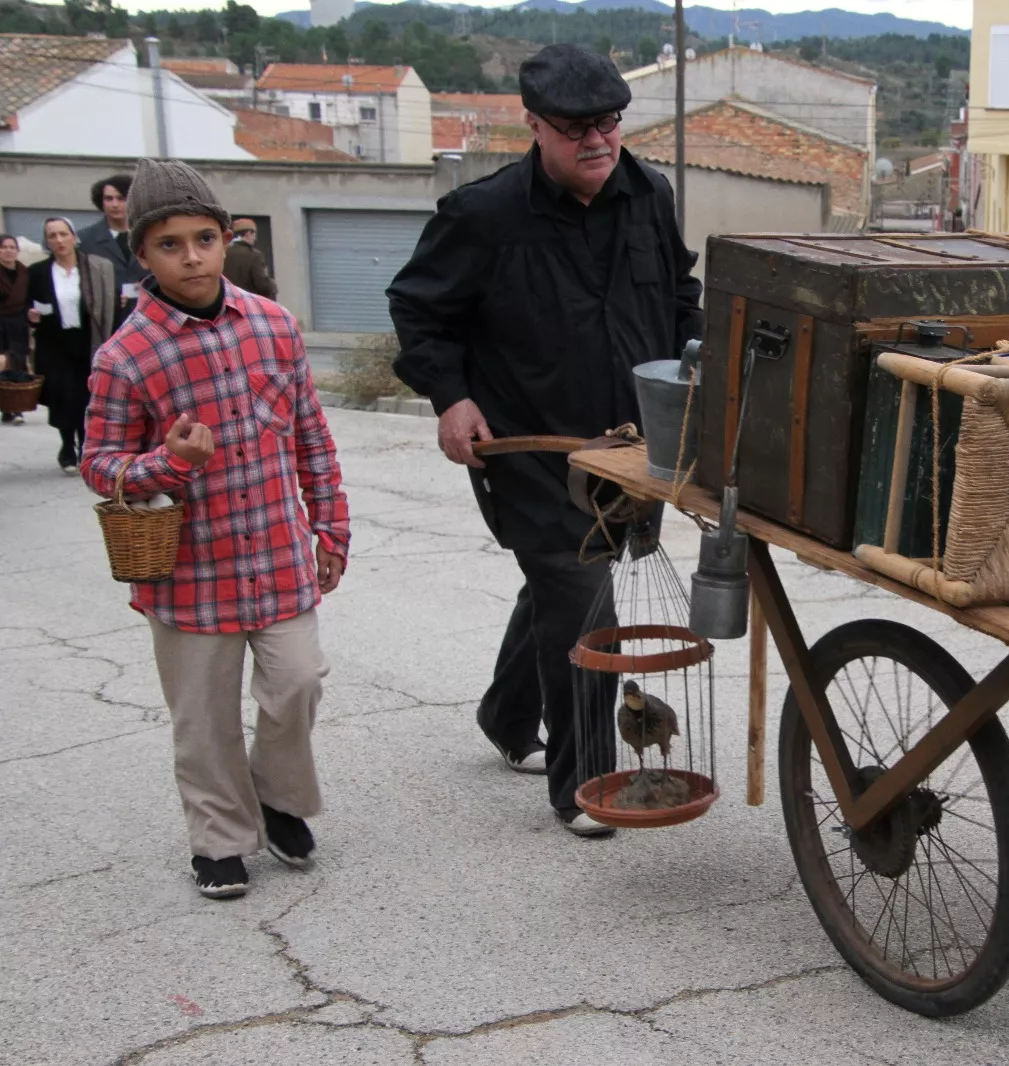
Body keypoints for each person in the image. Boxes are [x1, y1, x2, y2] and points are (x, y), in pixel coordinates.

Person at [387, 44, 703, 839]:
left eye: (608, 124)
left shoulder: (648, 194)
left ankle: (505, 714)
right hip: (533, 447)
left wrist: (695, 382)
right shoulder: (483, 216)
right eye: (574, 129)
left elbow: (678, 296)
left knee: (570, 583)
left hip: (629, 446)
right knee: (582, 596)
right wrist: (452, 398)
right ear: (534, 126)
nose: (597, 142)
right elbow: (420, 312)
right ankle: (584, 781)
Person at [80, 158, 351, 900]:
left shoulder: (272, 326)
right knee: (202, 719)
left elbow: (311, 438)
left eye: (206, 237)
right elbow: (99, 465)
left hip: (279, 554)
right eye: (171, 244)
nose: (193, 256)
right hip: (190, 573)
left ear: (227, 237)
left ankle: (277, 798)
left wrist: (330, 529)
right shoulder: (124, 358)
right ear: (143, 254)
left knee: (297, 683)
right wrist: (165, 465)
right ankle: (220, 840)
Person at [27, 218, 115, 472]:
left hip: (88, 340)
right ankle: (67, 446)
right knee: (63, 398)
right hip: (54, 343)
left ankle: (86, 444)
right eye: (52, 236)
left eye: (63, 234)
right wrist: (31, 316)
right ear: (47, 241)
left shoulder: (94, 268)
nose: (59, 240)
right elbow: (29, 305)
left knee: (87, 396)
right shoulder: (39, 272)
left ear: (73, 236)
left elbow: (105, 308)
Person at [77, 174, 149, 327]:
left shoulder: (149, 235)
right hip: (104, 324)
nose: (115, 204)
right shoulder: (84, 240)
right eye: (109, 199)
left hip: (147, 320)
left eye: (121, 198)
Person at [0, 234, 29, 425]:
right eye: (4, 247)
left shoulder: (25, 272)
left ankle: (16, 407)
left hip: (20, 323)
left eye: (12, 247)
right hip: (0, 323)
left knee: (18, 363)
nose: (9, 251)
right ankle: (7, 406)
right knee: (3, 363)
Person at [222, 218, 278, 299]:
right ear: (248, 234)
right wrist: (273, 286)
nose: (255, 239)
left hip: (227, 302)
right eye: (254, 235)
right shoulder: (253, 255)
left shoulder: (223, 252)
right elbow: (263, 285)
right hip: (248, 303)